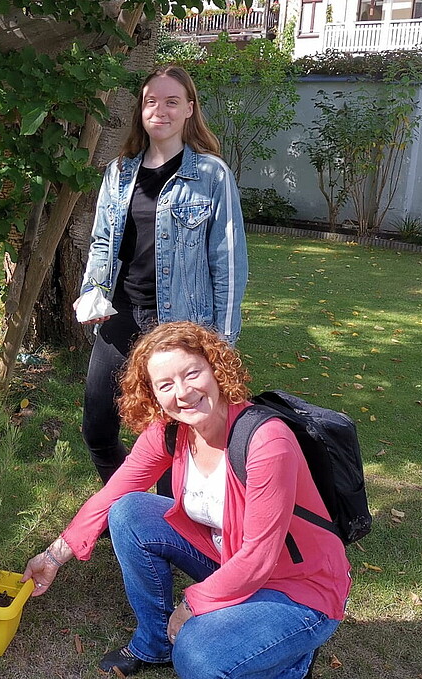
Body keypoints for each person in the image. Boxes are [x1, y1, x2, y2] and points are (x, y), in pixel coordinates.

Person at [23, 322, 350, 678]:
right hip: (229, 558)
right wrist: (53, 556)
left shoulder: (266, 441)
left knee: (198, 656)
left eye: (192, 373)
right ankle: (155, 645)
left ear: (216, 368)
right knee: (129, 513)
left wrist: (192, 603)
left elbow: (259, 558)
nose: (183, 392)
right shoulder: (171, 431)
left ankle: (294, 661)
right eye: (165, 384)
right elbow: (111, 495)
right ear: (152, 394)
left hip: (299, 587)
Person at [77, 65, 248, 484]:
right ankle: (127, 505)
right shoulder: (119, 173)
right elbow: (102, 240)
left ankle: (173, 516)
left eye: (172, 101)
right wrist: (93, 291)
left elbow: (228, 262)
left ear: (189, 109)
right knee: (97, 428)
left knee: (177, 436)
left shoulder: (211, 176)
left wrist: (220, 343)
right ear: (141, 110)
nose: (160, 110)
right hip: (120, 315)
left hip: (179, 323)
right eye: (151, 101)